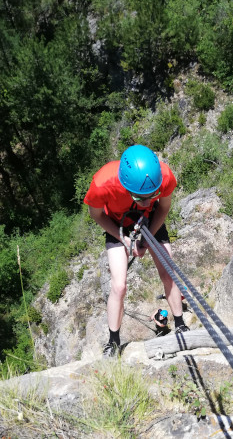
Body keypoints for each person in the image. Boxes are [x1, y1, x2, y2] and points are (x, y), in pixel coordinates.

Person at [84, 145, 189, 358]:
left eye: (152, 195)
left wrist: (148, 237)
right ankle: (113, 342)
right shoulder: (102, 184)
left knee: (168, 271)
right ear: (125, 185)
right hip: (116, 224)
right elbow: (96, 215)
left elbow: (163, 208)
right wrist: (123, 238)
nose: (148, 201)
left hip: (151, 220)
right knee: (119, 285)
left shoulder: (165, 176)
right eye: (141, 198)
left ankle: (180, 324)